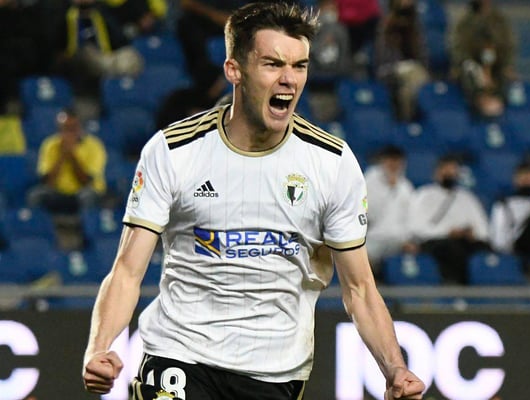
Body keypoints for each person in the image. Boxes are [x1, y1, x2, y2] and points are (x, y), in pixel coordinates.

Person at [82, 3, 425, 400]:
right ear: (234, 70)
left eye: (299, 66)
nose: (289, 79)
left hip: (274, 371)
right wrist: (99, 348)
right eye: (272, 64)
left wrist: (395, 368)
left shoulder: (331, 163)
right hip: (179, 354)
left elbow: (360, 289)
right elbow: (127, 270)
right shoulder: (174, 151)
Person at [408, 154, 490, 283]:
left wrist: (473, 233)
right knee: (451, 249)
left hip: (464, 241)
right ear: (436, 172)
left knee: (484, 249)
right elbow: (418, 227)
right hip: (436, 241)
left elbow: (482, 226)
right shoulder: (424, 195)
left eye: (453, 170)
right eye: (446, 169)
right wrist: (448, 232)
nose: (450, 173)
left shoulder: (467, 197)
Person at [27, 108, 107, 214]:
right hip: (58, 192)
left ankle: (87, 223)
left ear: (80, 128)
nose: (69, 133)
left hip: (83, 191)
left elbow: (86, 182)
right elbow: (48, 182)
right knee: (36, 195)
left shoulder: (94, 146)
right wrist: (62, 155)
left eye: (72, 128)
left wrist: (72, 156)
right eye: (65, 128)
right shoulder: (50, 145)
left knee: (87, 196)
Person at [449, 0, 517, 118]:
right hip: (472, 63)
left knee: (503, 74)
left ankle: (498, 100)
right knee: (469, 71)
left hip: (496, 63)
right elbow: (459, 49)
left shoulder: (500, 21)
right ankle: (480, 101)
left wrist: (507, 65)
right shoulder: (465, 21)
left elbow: (508, 46)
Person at [364, 145, 417, 275]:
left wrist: (408, 239)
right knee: (361, 258)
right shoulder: (369, 181)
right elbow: (368, 212)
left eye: (397, 161)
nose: (394, 165)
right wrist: (389, 189)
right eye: (390, 160)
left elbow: (410, 217)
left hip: (398, 240)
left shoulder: (406, 187)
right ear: (383, 161)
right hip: (373, 236)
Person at [373, 0, 430, 121]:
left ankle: (414, 121)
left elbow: (423, 59)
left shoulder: (415, 29)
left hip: (412, 75)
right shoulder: (385, 28)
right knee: (412, 79)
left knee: (410, 86)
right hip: (389, 71)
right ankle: (408, 119)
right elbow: (382, 61)